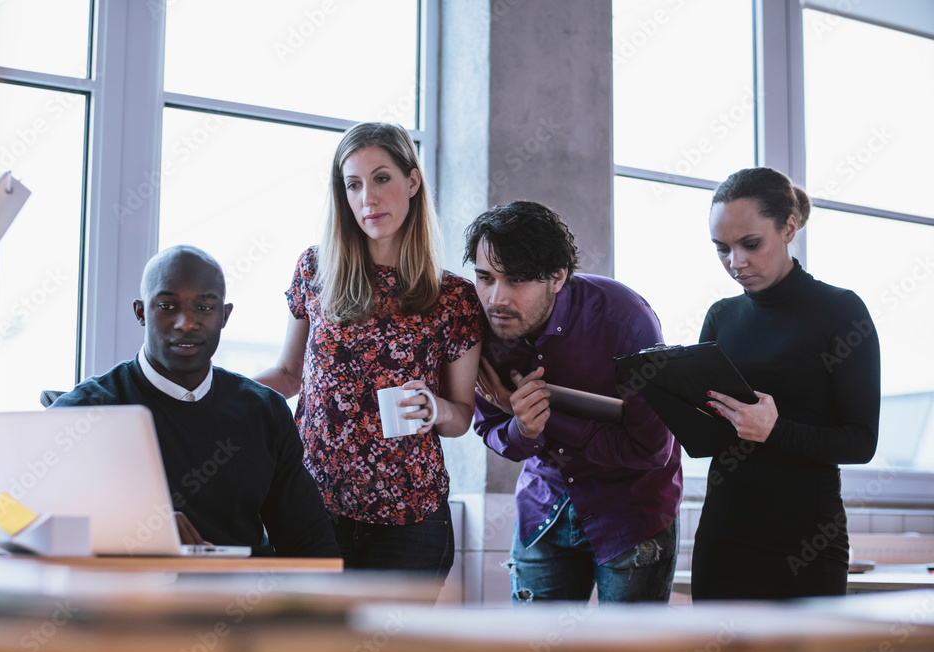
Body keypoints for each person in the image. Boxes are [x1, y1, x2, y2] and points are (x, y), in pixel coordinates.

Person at [255, 122, 482, 583]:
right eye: (353, 184)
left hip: (412, 519)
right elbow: (288, 373)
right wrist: (217, 392)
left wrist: (436, 408)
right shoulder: (315, 269)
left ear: (412, 182)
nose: (368, 199)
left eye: (381, 178)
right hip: (313, 507)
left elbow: (462, 416)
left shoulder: (454, 297)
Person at [52, 246, 339, 558]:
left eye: (204, 308)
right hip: (129, 602)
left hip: (241, 600)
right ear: (140, 312)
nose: (186, 323)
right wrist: (126, 528)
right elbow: (4, 514)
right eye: (167, 306)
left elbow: (312, 547)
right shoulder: (87, 410)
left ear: (224, 316)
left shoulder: (263, 411)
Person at [465, 200, 682, 604]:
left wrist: (542, 417)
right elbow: (490, 428)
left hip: (631, 513)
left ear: (557, 276)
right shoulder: (481, 326)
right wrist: (520, 428)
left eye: (516, 280)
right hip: (543, 507)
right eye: (484, 277)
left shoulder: (625, 320)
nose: (496, 298)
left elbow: (652, 450)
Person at [692, 167, 880, 600]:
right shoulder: (722, 316)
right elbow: (703, 439)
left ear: (789, 228)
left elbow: (861, 442)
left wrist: (776, 431)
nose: (735, 262)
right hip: (724, 535)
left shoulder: (841, 312)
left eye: (750, 244)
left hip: (805, 541)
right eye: (722, 249)